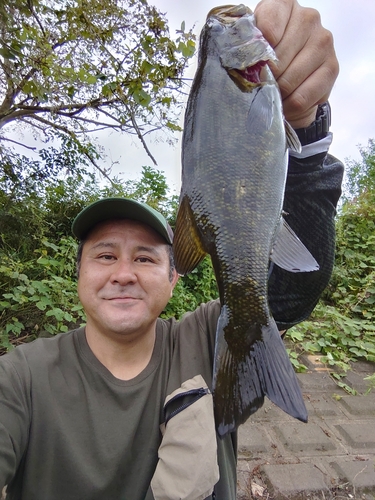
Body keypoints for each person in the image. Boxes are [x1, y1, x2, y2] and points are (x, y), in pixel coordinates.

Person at [0, 0, 344, 499]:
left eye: (145, 257)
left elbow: (294, 288)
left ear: (175, 274)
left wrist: (308, 130)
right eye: (104, 255)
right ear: (78, 274)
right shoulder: (20, 377)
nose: (123, 272)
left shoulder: (209, 337)